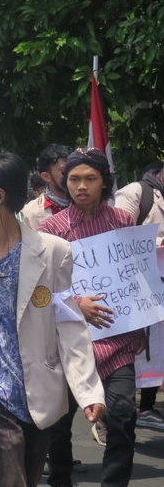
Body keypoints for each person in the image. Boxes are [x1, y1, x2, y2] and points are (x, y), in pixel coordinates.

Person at [0, 148, 105, 487]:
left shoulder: (53, 252)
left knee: (26, 474)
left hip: (36, 389)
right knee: (9, 478)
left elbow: (68, 322)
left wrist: (88, 391)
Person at [37, 147, 143, 487]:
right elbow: (39, 291)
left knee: (124, 414)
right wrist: (75, 302)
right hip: (68, 342)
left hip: (118, 338)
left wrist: (140, 322)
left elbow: (136, 277)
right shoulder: (51, 229)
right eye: (74, 179)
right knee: (59, 423)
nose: (81, 186)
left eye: (90, 179)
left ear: (104, 182)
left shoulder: (124, 222)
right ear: (64, 182)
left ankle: (114, 482)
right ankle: (61, 479)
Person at [112, 160, 164, 432]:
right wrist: (157, 243)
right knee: (134, 349)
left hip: (159, 287)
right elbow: (119, 234)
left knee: (156, 349)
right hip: (133, 287)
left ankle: (146, 407)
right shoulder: (137, 193)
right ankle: (115, 412)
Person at [21, 144, 73, 229]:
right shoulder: (29, 214)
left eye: (74, 169)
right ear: (46, 176)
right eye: (64, 172)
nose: (72, 176)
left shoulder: (92, 203)